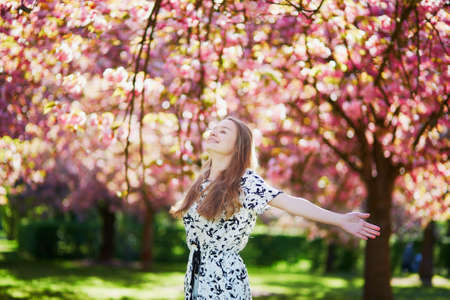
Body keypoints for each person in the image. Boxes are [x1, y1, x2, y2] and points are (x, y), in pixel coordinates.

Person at [170, 115, 381, 300]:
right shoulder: (203, 182)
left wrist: (339, 219)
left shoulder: (244, 182)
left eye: (223, 131)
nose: (214, 132)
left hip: (224, 279)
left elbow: (290, 202)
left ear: (237, 146)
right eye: (214, 129)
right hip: (197, 275)